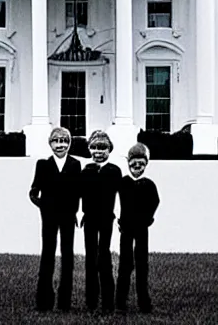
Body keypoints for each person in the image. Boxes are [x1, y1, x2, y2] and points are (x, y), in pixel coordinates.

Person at [29, 126, 81, 312]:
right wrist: (42, 204)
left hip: (68, 217)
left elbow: (78, 192)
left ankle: (64, 302)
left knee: (67, 257)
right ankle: (44, 301)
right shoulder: (43, 165)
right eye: (56, 141)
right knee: (47, 255)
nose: (60, 145)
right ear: (50, 144)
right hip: (49, 217)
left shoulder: (75, 165)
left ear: (69, 143)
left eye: (64, 141)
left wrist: (75, 211)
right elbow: (33, 191)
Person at [115, 143, 160, 314]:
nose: (137, 166)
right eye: (134, 162)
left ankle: (144, 302)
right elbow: (114, 201)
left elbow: (155, 202)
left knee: (142, 265)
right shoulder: (123, 183)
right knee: (124, 265)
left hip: (142, 229)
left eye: (141, 163)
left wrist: (148, 218)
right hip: (125, 229)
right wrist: (119, 220)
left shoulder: (149, 185)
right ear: (128, 162)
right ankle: (120, 302)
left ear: (146, 164)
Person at [80, 130, 121, 312]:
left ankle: (108, 303)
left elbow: (123, 195)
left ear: (109, 149)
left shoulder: (114, 171)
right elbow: (78, 194)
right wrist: (78, 213)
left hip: (106, 220)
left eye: (103, 147)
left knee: (104, 256)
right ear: (89, 149)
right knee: (90, 258)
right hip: (89, 219)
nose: (98, 151)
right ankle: (91, 302)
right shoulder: (86, 171)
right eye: (95, 147)